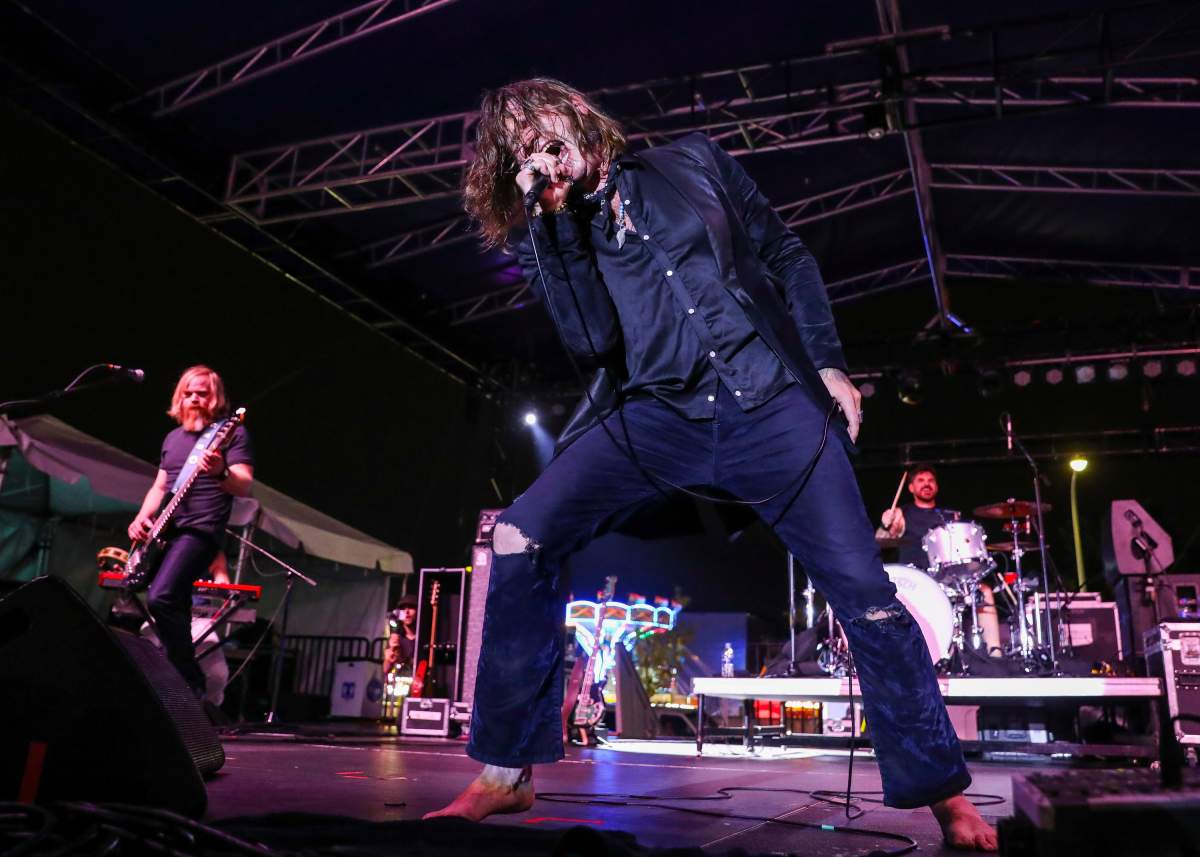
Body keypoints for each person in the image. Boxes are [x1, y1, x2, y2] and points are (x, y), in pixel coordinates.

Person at [425, 79, 996, 850]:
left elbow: (786, 253)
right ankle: (505, 773)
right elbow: (592, 340)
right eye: (520, 143)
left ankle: (946, 795)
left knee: (865, 591)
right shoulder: (550, 230)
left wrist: (828, 363)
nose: (538, 143)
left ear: (579, 116)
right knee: (520, 535)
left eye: (543, 124)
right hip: (657, 417)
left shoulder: (691, 162)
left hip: (770, 405)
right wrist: (552, 223)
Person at [128, 365, 253, 698]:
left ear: (216, 398)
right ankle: (182, 686)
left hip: (202, 529)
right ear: (179, 397)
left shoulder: (230, 433)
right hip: (169, 530)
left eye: (203, 393)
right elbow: (160, 485)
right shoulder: (172, 439)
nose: (195, 398)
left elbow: (244, 486)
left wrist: (221, 470)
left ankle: (189, 678)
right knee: (170, 603)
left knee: (162, 595)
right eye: (189, 392)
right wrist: (141, 517)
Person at [881, 467, 1001, 655]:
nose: (926, 483)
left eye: (930, 480)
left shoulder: (949, 515)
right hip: (916, 580)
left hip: (946, 578)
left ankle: (996, 654)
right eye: (920, 480)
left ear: (936, 486)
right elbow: (885, 536)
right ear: (911, 488)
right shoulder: (902, 514)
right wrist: (886, 524)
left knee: (984, 591)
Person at [382, 594, 418, 677]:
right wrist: (388, 659)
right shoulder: (397, 639)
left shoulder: (423, 638)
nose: (407, 611)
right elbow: (386, 670)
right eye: (403, 608)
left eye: (411, 607)